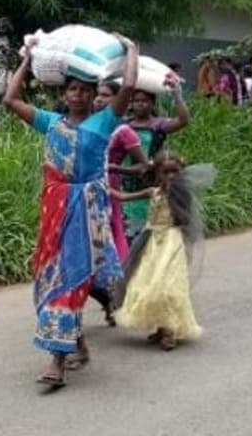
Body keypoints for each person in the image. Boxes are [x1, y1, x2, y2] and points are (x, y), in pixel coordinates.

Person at [3, 34, 138, 388]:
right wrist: (27, 58)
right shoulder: (51, 123)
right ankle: (78, 343)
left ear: (94, 95)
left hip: (86, 212)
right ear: (64, 94)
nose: (77, 95)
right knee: (50, 277)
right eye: (72, 90)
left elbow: (128, 87)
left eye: (84, 90)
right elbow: (10, 99)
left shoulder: (105, 121)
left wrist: (131, 51)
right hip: (55, 210)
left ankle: (57, 361)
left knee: (71, 279)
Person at [111, 152, 207, 351]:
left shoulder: (181, 195)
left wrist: (175, 196)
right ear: (156, 173)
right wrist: (105, 188)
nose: (170, 176)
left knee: (168, 285)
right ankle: (161, 326)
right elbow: (123, 197)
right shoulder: (152, 192)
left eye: (175, 172)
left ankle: (170, 330)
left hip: (172, 242)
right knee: (148, 283)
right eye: (165, 172)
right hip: (152, 242)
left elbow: (186, 220)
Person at [89, 81, 146, 326]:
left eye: (105, 95)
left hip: (109, 192)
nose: (98, 99)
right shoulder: (87, 124)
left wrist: (113, 168)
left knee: (112, 250)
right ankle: (110, 301)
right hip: (85, 191)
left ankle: (124, 300)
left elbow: (144, 165)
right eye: (97, 95)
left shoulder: (123, 132)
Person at [117, 77, 191, 245]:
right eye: (136, 101)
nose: (140, 104)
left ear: (152, 103)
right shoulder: (123, 125)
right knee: (127, 231)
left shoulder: (158, 125)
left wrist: (176, 94)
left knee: (153, 228)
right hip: (126, 180)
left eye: (145, 101)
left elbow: (183, 120)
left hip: (153, 178)